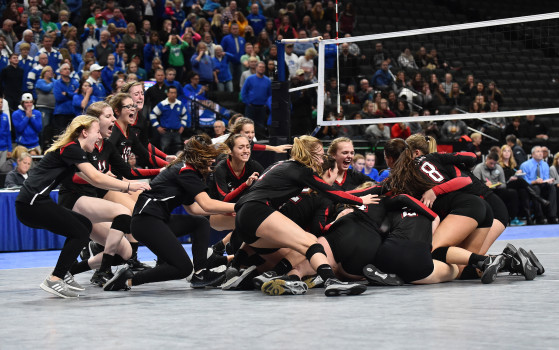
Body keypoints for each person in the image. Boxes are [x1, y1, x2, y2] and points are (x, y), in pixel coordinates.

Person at [15, 115, 150, 299]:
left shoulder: (73, 151)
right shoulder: (72, 148)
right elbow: (95, 178)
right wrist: (128, 186)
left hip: (34, 202)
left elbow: (95, 180)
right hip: (32, 204)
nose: (99, 137)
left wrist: (120, 183)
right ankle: (55, 278)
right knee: (79, 231)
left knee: (84, 225)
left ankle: (65, 274)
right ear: (84, 132)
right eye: (96, 132)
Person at [233, 135, 378, 296]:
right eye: (320, 155)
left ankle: (237, 270)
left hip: (243, 219)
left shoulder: (280, 164)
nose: (322, 160)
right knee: (311, 242)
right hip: (257, 211)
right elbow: (333, 193)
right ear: (310, 155)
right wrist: (360, 200)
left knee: (296, 246)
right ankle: (331, 281)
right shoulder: (303, 171)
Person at [103, 135, 235, 292]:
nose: (213, 161)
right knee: (183, 268)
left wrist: (226, 209)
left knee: (200, 223)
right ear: (199, 157)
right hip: (146, 222)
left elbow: (193, 209)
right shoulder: (186, 172)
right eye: (210, 158)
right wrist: (239, 206)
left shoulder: (188, 170)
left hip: (156, 220)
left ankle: (200, 273)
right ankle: (128, 280)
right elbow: (207, 204)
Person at [59, 102, 159, 286]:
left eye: (113, 115)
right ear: (94, 123)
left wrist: (160, 171)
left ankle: (69, 271)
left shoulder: (106, 146)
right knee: (124, 212)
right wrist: (112, 181)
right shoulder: (78, 146)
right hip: (74, 199)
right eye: (108, 116)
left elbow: (128, 172)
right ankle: (103, 270)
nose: (114, 119)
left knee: (125, 252)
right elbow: (77, 177)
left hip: (93, 203)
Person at [520, 146, 558, 224]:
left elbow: (545, 178)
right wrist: (534, 181)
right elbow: (523, 181)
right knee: (536, 188)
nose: (541, 153)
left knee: (552, 188)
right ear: (532, 154)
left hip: (542, 184)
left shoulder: (545, 165)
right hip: (530, 186)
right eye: (538, 151)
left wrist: (548, 181)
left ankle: (552, 216)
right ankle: (539, 217)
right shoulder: (525, 165)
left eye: (541, 151)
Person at [149, 86, 187, 154]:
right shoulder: (162, 104)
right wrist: (158, 127)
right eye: (171, 93)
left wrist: (182, 126)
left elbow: (185, 115)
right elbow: (152, 114)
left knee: (179, 152)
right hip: (165, 133)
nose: (173, 94)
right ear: (168, 94)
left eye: (175, 93)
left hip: (177, 132)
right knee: (165, 151)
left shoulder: (180, 104)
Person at [241, 61, 271, 128]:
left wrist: (266, 104)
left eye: (263, 67)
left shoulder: (268, 81)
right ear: (256, 68)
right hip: (250, 107)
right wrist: (247, 102)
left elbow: (270, 95)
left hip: (262, 108)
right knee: (248, 126)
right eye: (260, 67)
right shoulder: (249, 79)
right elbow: (243, 92)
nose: (261, 68)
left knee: (261, 127)